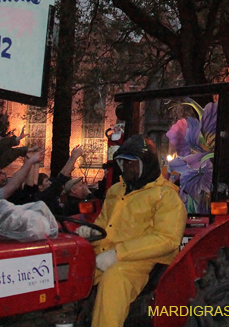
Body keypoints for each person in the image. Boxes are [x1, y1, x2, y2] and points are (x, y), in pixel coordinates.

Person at [79, 135, 186, 327]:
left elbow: (167, 239)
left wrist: (119, 254)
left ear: (146, 164)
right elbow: (104, 224)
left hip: (142, 260)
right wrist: (90, 233)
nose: (125, 167)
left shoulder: (165, 196)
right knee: (73, 272)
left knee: (115, 279)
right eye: (122, 162)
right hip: (106, 253)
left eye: (131, 163)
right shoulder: (115, 191)